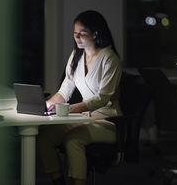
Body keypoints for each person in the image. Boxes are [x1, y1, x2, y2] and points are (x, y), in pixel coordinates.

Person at [37, 10, 123, 185]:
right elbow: (64, 92)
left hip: (108, 121)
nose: (77, 38)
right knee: (45, 137)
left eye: (82, 34)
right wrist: (44, 105)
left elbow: (103, 98)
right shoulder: (77, 55)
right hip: (84, 118)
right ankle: (58, 180)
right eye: (75, 33)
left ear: (95, 33)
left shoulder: (110, 59)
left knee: (73, 140)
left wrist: (71, 109)